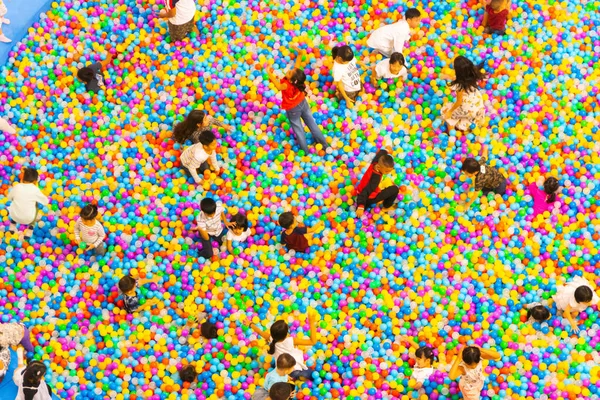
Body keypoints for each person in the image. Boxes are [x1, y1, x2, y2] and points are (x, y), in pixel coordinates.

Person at [266, 45, 329, 154]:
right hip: (302, 103)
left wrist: (269, 73)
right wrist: (299, 53)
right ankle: (325, 145)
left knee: (298, 129)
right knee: (312, 123)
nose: (289, 71)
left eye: (289, 73)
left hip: (293, 109)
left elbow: (278, 86)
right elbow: (298, 63)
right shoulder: (297, 79)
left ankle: (306, 152)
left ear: (291, 80)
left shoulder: (286, 84)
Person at [247, 312, 319, 380]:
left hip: (280, 368)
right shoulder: (291, 340)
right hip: (293, 369)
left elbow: (260, 332)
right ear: (286, 333)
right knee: (314, 375)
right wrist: (311, 322)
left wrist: (250, 324)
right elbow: (313, 341)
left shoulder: (271, 338)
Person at [441, 56, 486, 132]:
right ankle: (469, 125)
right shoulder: (473, 74)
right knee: (467, 111)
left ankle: (451, 135)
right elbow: (460, 77)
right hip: (478, 106)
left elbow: (458, 102)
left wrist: (450, 112)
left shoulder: (459, 86)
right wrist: (449, 77)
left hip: (468, 109)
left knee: (446, 110)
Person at [7, 167, 49, 243]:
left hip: (14, 216)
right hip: (29, 219)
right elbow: (45, 202)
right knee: (36, 204)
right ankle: (30, 230)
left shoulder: (17, 186)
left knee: (14, 202)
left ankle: (12, 226)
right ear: (35, 181)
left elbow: (9, 198)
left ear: (23, 178)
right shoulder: (35, 189)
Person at [354, 147, 398, 218]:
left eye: (390, 170)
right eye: (386, 171)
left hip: (361, 188)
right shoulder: (375, 179)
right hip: (368, 197)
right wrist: (361, 206)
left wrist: (385, 151)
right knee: (395, 189)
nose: (388, 173)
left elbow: (381, 153)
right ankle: (386, 206)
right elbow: (365, 192)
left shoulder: (375, 162)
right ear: (378, 167)